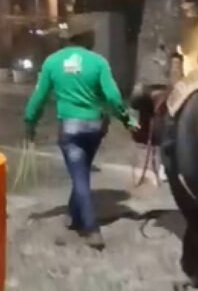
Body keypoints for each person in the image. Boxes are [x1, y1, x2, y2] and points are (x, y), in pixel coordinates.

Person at [24, 16, 140, 250]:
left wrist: (30, 124)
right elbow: (113, 97)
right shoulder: (98, 62)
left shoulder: (52, 62)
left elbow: (38, 98)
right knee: (82, 173)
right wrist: (127, 120)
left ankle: (91, 228)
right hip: (95, 127)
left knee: (80, 176)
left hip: (70, 128)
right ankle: (75, 216)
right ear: (87, 37)